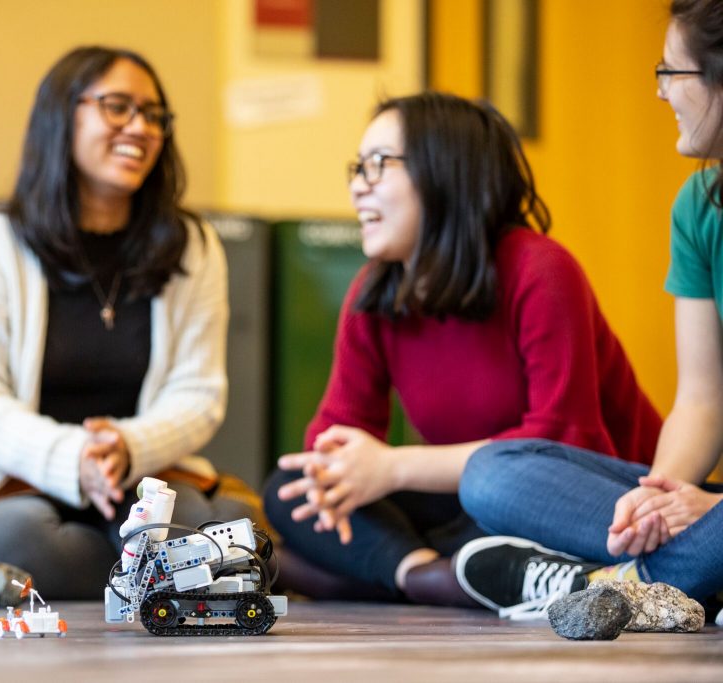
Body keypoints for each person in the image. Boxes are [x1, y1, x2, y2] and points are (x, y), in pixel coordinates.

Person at [263, 92, 663, 607]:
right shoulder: (375, 292)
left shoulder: (541, 269)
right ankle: (427, 575)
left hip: (591, 503)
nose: (358, 186)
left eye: (379, 165)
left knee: (492, 500)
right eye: (357, 168)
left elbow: (560, 448)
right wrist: (333, 471)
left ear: (445, 173)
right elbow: (332, 441)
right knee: (290, 488)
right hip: (471, 502)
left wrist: (393, 467)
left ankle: (409, 572)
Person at [0, 46, 256, 600]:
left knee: (192, 518)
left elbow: (200, 394)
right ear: (62, 116)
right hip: (12, 478)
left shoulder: (192, 244)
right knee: (9, 541)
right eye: (117, 107)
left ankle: (140, 574)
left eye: (153, 115)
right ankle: (153, 581)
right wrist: (76, 458)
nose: (139, 128)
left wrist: (126, 445)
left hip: (143, 476)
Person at [454, 0, 723, 622]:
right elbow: (704, 400)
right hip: (710, 509)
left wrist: (708, 512)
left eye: (671, 72)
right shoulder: (699, 207)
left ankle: (615, 587)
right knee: (492, 474)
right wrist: (660, 499)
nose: (661, 93)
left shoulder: (537, 268)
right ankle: (670, 579)